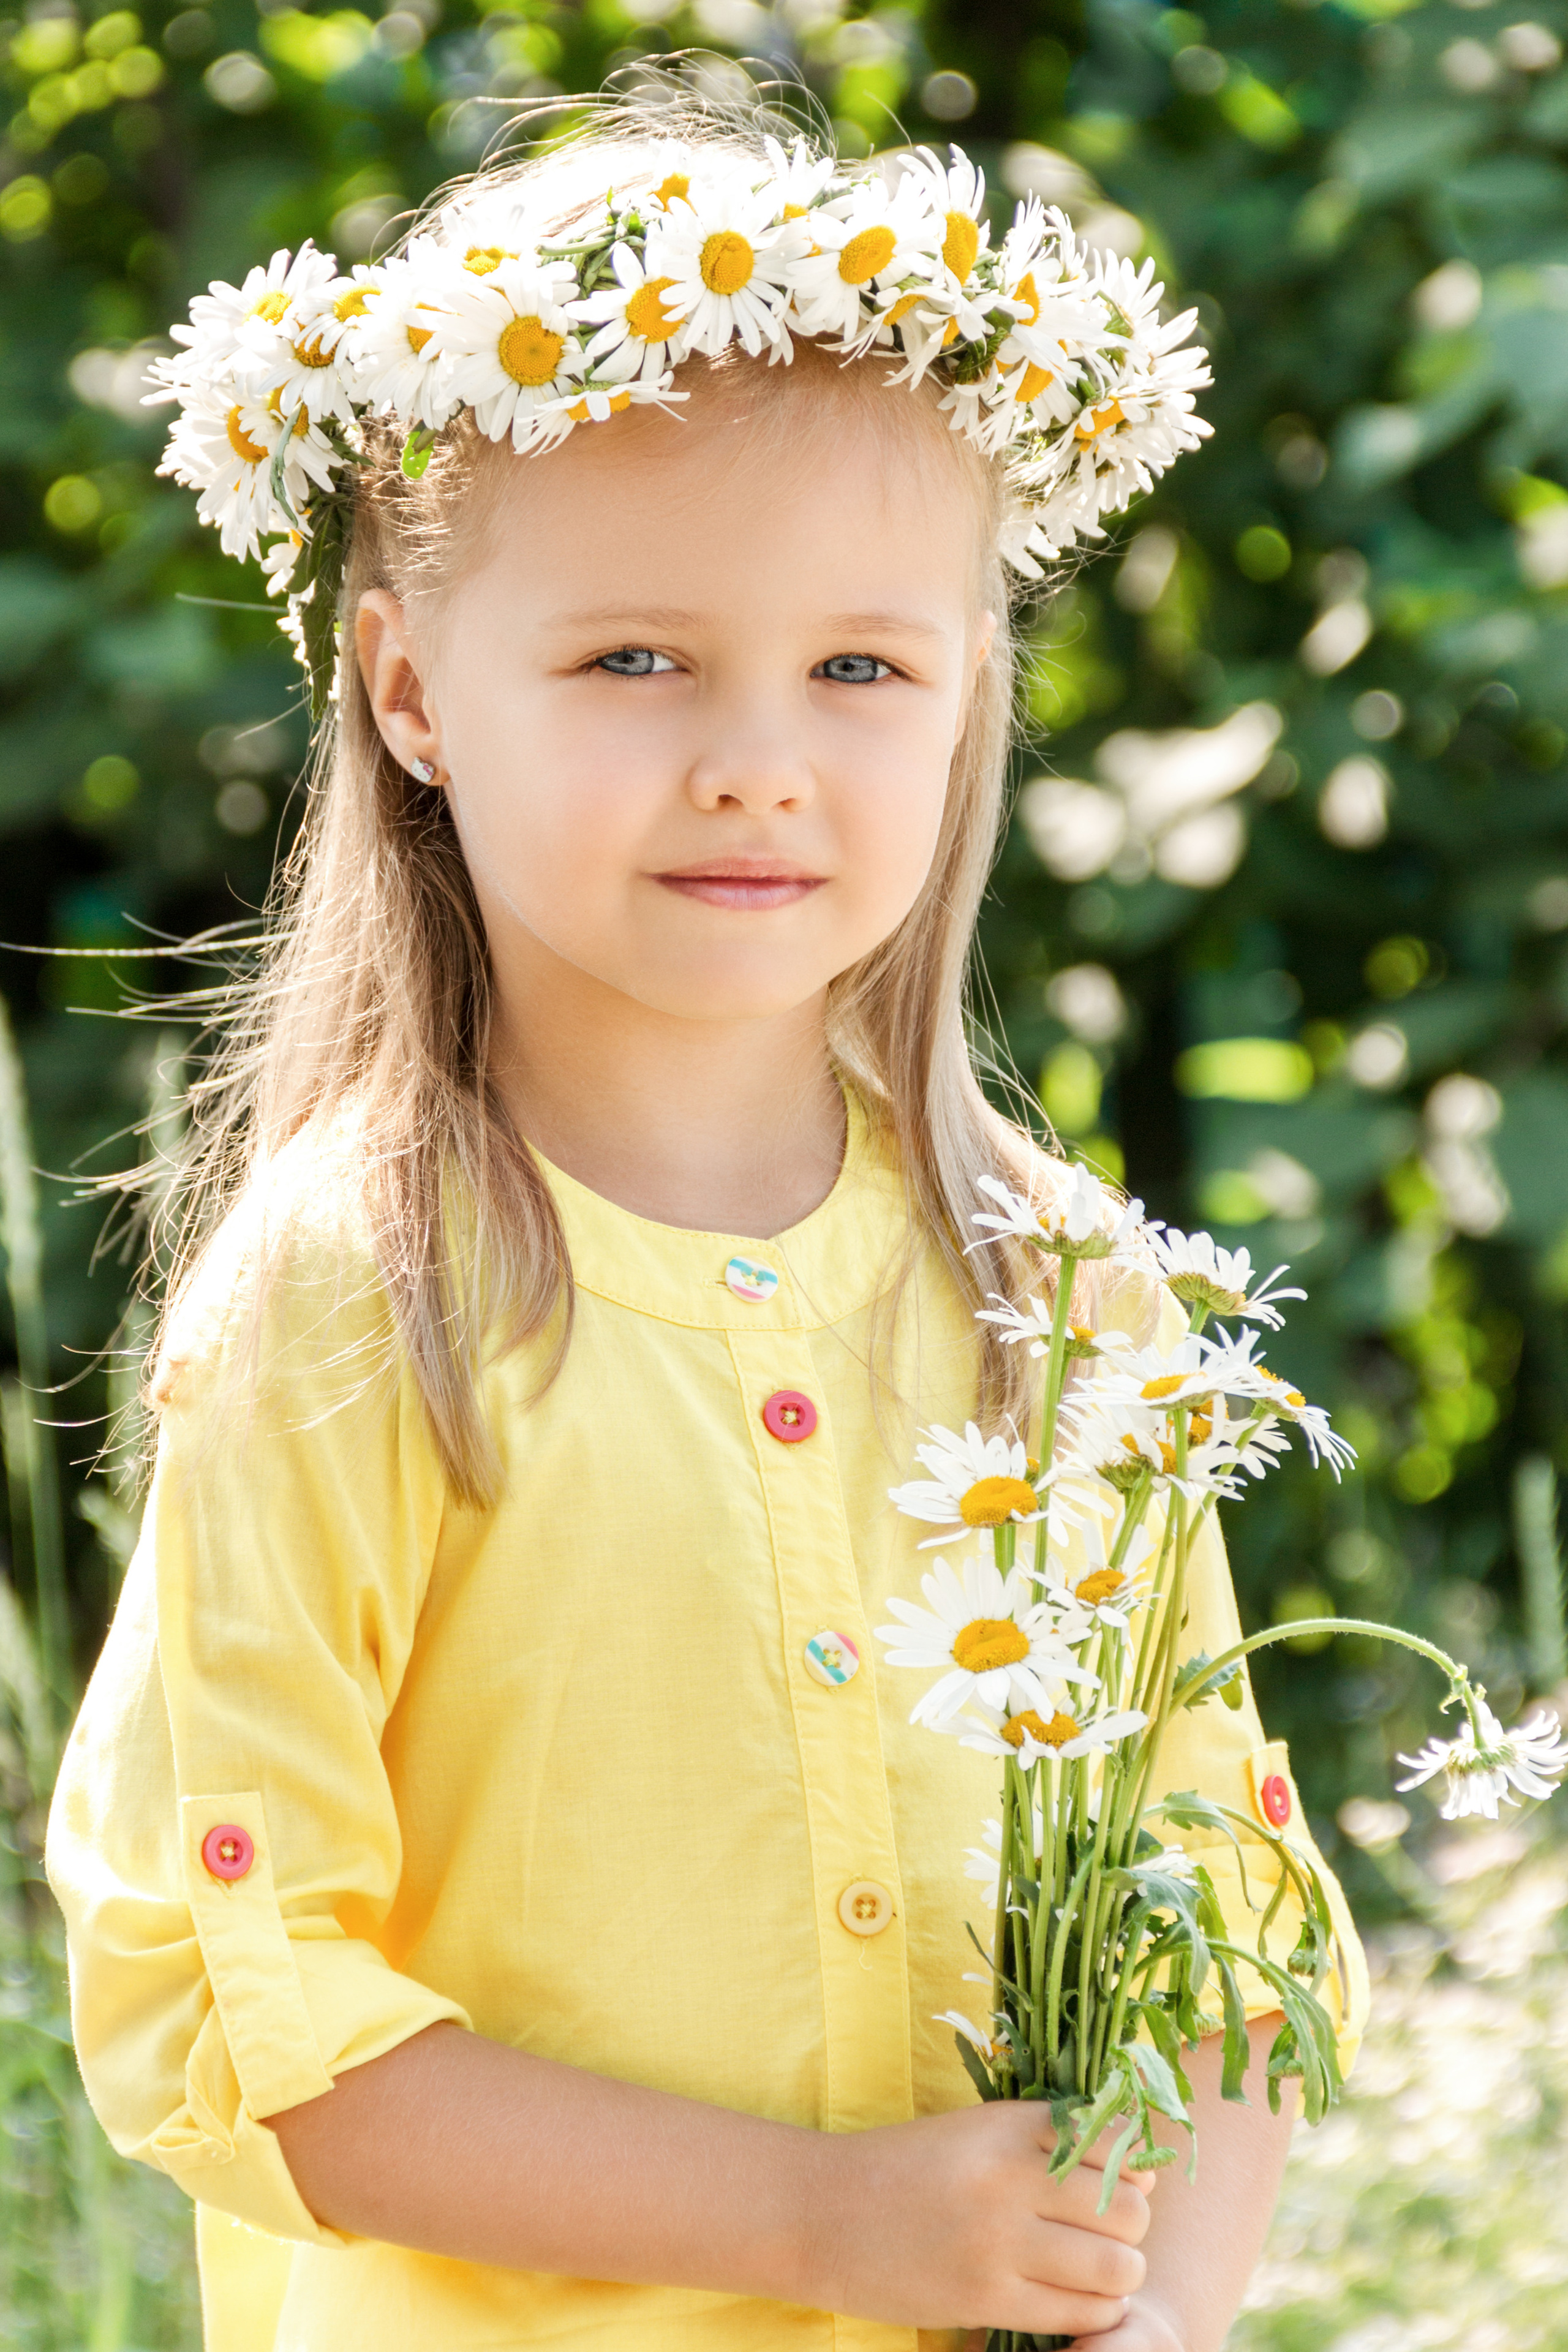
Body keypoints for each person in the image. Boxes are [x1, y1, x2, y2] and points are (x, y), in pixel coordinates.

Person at [45, 98, 1367, 2352]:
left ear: (968, 701)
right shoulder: (355, 1302)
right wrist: (822, 2225)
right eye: (639, 661)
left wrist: (1166, 2306)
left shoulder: (1068, 1303)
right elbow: (236, 2005)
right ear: (404, 689)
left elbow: (1222, 1909)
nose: (762, 758)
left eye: (862, 668)